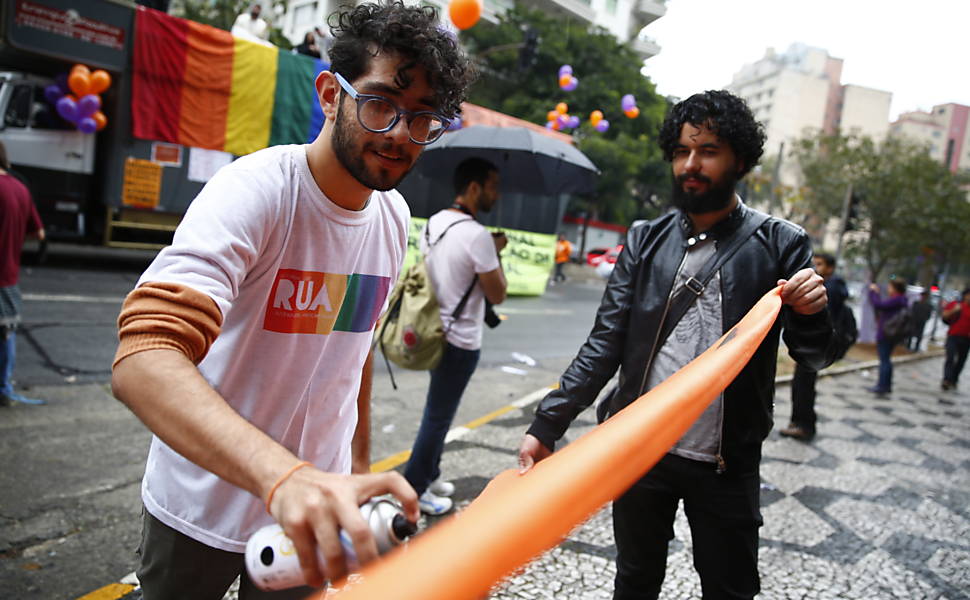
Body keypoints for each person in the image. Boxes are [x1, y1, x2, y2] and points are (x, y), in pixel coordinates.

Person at [110, 3, 473, 598]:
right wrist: (284, 478)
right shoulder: (257, 192)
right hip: (203, 502)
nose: (398, 135)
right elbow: (144, 357)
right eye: (381, 103)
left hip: (317, 511)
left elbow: (353, 352)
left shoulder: (393, 215)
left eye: (421, 118)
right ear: (330, 95)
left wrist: (356, 470)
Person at [518, 90, 833, 600]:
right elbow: (606, 342)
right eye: (682, 151)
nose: (691, 164)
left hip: (726, 460)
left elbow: (814, 355)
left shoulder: (780, 242)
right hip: (641, 449)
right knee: (635, 581)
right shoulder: (645, 238)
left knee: (729, 590)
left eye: (708, 151)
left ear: (739, 160)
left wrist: (813, 312)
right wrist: (547, 423)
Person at [403, 157, 507, 516]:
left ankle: (430, 474)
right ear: (474, 188)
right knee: (437, 419)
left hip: (433, 332)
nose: (497, 194)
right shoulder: (478, 236)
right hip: (460, 341)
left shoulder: (435, 223)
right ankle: (414, 490)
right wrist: (496, 252)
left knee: (438, 412)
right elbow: (497, 294)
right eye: (493, 186)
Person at [781, 252, 848, 441]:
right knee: (803, 384)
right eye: (815, 263)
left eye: (820, 264)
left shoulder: (829, 288)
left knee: (803, 384)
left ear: (830, 268)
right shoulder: (833, 285)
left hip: (817, 342)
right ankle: (800, 422)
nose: (816, 267)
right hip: (817, 342)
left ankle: (804, 425)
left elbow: (822, 316)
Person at [0, 141, 46, 407]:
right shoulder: (20, 189)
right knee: (6, 332)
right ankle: (4, 387)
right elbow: (38, 233)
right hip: (8, 275)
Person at [867, 278, 909, 397]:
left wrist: (873, 292)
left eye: (890, 287)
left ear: (895, 288)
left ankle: (882, 386)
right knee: (886, 359)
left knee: (884, 360)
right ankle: (886, 385)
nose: (888, 289)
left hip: (886, 333)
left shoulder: (897, 299)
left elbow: (878, 305)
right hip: (892, 333)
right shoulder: (902, 300)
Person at [940, 288, 970, 390]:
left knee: (961, 360)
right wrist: (954, 310)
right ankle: (946, 379)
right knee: (950, 357)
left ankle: (954, 379)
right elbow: (944, 315)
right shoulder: (956, 304)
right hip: (953, 336)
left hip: (967, 339)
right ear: (965, 295)